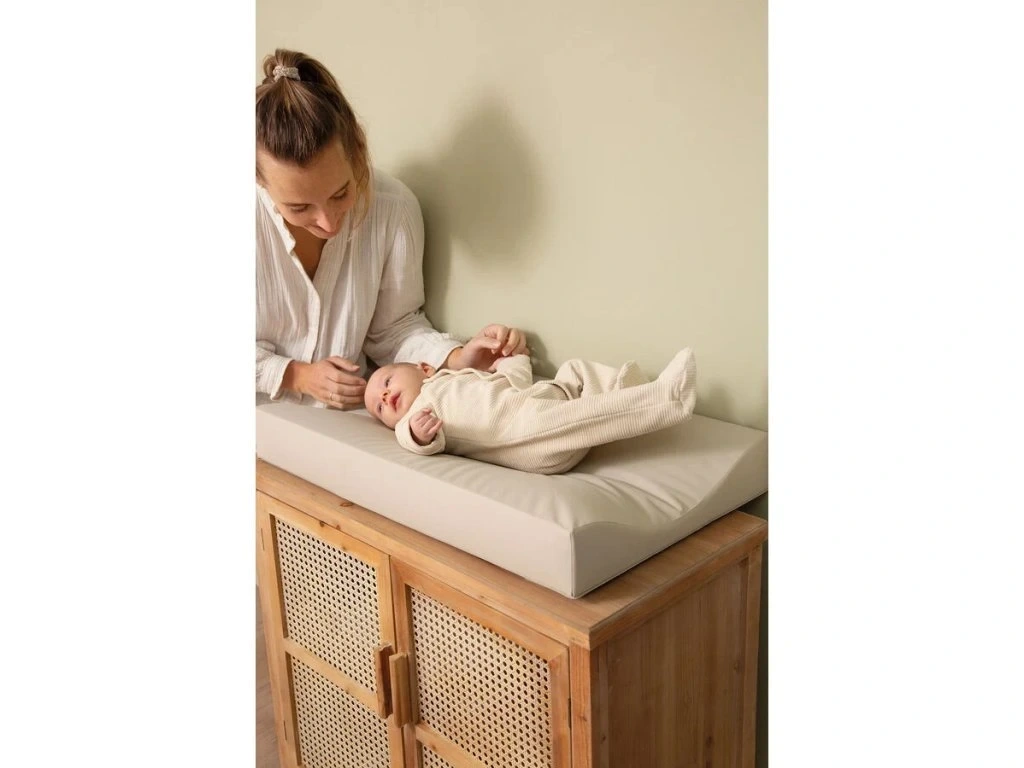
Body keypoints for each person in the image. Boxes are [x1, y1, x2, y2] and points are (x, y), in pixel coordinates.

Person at [256, 48, 527, 409]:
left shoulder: (394, 208)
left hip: (335, 428)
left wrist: (459, 359)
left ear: (358, 148)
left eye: (340, 193)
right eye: (299, 207)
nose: (328, 222)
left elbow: (394, 330)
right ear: (258, 180)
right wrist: (294, 375)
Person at [362, 348, 697, 475]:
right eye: (379, 406)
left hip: (538, 399)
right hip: (527, 438)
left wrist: (515, 359)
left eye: (386, 381)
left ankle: (629, 388)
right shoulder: (417, 414)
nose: (385, 395)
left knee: (576, 369)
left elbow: (514, 381)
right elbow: (409, 439)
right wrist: (416, 433)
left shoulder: (453, 379)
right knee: (584, 415)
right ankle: (665, 399)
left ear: (424, 368)